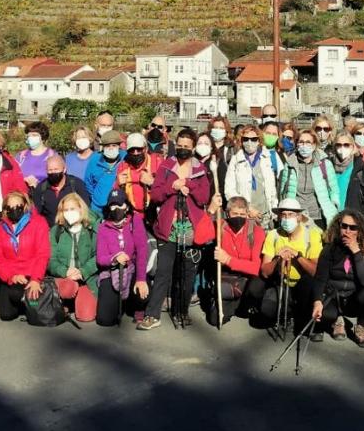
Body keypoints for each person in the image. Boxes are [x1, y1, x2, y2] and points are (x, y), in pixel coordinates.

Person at [141, 128, 213, 330]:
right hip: (168, 227)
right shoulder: (166, 165)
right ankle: (152, 314)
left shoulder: (200, 169)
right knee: (163, 271)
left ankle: (181, 311)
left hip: (191, 229)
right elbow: (155, 194)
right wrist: (172, 186)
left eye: (186, 147)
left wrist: (188, 184)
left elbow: (203, 197)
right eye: (179, 146)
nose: (182, 149)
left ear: (193, 147)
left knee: (187, 272)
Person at [311, 209, 364, 347]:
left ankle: (361, 326)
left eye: (353, 227)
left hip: (354, 298)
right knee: (324, 315)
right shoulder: (330, 248)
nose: (347, 231)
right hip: (333, 296)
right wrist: (317, 301)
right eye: (344, 226)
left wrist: (356, 252)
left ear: (360, 230)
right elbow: (320, 278)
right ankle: (336, 320)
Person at [260, 198, 323, 337]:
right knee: (267, 309)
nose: (286, 218)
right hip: (282, 281)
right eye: (283, 215)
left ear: (299, 217)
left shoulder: (311, 234)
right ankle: (286, 314)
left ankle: (302, 317)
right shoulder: (273, 235)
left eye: (291, 214)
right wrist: (277, 259)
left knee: (309, 284)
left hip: (303, 284)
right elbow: (264, 272)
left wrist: (298, 256)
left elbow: (315, 271)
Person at [0, 190, 53, 322]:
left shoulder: (39, 223)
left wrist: (36, 279)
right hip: (11, 274)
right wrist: (11, 276)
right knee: (6, 315)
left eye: (18, 207)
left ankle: (32, 304)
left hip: (31, 273)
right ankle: (23, 302)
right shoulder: (1, 228)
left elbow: (43, 254)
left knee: (25, 301)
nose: (14, 210)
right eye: (9, 208)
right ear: (5, 210)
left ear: (25, 206)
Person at [94, 188, 151, 327]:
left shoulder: (135, 220)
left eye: (119, 204)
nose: (116, 208)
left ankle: (136, 306)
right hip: (112, 271)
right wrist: (114, 258)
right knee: (105, 320)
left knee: (142, 290)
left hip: (132, 269)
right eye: (112, 205)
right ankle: (118, 304)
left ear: (126, 206)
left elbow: (142, 250)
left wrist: (141, 279)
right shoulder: (103, 227)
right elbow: (100, 258)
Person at [209, 195, 266, 326]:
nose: (239, 217)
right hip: (229, 276)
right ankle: (231, 300)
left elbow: (257, 268)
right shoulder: (221, 226)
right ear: (227, 213)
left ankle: (243, 303)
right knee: (214, 320)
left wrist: (229, 260)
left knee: (255, 289)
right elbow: (200, 237)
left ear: (247, 214)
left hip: (249, 277)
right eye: (235, 213)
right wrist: (210, 211)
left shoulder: (256, 232)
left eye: (242, 214)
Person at [47, 193, 99, 323]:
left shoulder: (92, 230)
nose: (69, 213)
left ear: (81, 209)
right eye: (66, 210)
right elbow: (50, 260)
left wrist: (83, 271)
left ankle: (73, 302)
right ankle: (66, 301)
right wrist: (65, 272)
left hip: (85, 278)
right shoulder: (56, 231)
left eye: (73, 209)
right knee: (68, 289)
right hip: (64, 278)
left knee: (86, 316)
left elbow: (98, 256)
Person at [225, 125, 281, 228]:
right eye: (246, 139)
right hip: (244, 215)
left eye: (254, 139)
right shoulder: (235, 160)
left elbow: (272, 188)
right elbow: (229, 190)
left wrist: (274, 210)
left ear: (259, 141)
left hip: (265, 215)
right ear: (241, 141)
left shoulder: (267, 158)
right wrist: (248, 209)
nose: (249, 143)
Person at [290, 128, 341, 229]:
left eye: (308, 142)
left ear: (314, 145)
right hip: (296, 217)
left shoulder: (325, 164)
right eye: (301, 142)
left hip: (318, 216)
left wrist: (333, 205)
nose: (304, 145)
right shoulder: (290, 164)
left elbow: (334, 189)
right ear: (296, 144)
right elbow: (284, 188)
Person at [33, 153, 90, 226]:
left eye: (56, 169)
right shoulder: (41, 188)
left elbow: (86, 208)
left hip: (74, 228)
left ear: (64, 169)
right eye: (50, 170)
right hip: (51, 231)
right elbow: (37, 214)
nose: (53, 172)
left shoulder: (76, 185)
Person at [115, 132, 158, 216]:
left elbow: (166, 189)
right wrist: (118, 183)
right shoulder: (123, 166)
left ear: (145, 148)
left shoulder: (157, 162)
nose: (135, 153)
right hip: (131, 215)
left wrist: (152, 182)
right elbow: (115, 193)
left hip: (153, 214)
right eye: (132, 150)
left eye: (139, 149)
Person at [84, 129, 122, 213]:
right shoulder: (95, 160)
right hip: (98, 208)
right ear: (103, 147)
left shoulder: (125, 158)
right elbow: (88, 182)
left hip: (119, 207)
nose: (111, 148)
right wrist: (97, 197)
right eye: (107, 146)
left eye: (114, 145)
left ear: (119, 146)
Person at [18, 121, 62, 189]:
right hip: (23, 196)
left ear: (43, 137)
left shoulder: (52, 156)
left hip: (44, 196)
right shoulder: (21, 156)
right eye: (29, 136)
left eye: (34, 135)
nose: (30, 138)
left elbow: (59, 182)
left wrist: (38, 185)